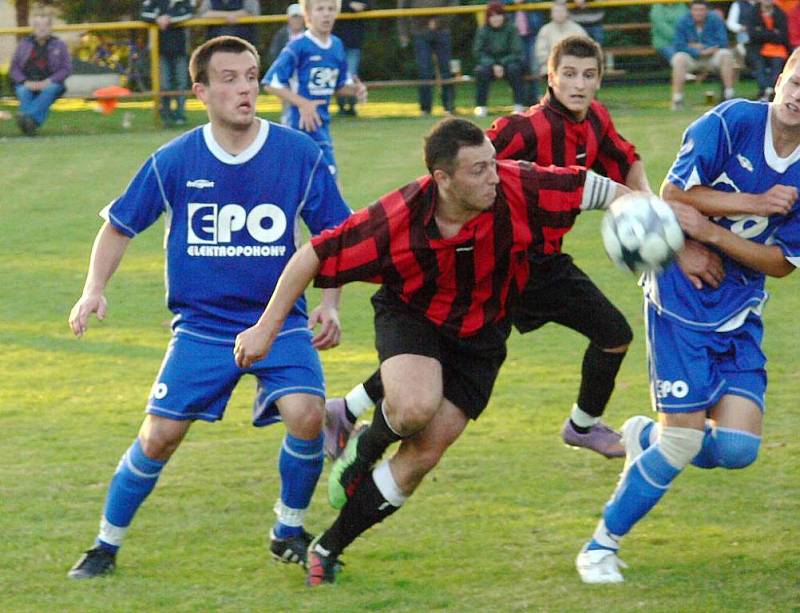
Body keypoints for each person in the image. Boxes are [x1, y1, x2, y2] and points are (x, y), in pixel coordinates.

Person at [234, 117, 633, 586]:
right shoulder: (399, 215)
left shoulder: (517, 185)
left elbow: (595, 188)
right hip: (413, 316)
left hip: (481, 335)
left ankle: (328, 546)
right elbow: (315, 254)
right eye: (478, 170)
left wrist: (648, 215)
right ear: (442, 179)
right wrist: (265, 327)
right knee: (413, 407)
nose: (493, 176)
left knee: (424, 454)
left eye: (492, 163)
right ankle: (367, 444)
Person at [323, 36, 723, 463]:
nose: (578, 84)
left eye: (589, 75)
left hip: (544, 265)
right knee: (443, 347)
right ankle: (351, 426)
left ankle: (581, 426)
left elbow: (627, 158)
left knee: (612, 335)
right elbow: (464, 168)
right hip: (501, 262)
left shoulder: (596, 121)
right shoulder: (524, 128)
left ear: (600, 81)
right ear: (550, 77)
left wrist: (648, 212)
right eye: (568, 74)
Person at [65, 36, 352, 579]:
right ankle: (105, 544)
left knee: (307, 414)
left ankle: (287, 529)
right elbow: (119, 225)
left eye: (251, 75)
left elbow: (334, 236)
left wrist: (331, 304)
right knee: (159, 436)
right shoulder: (173, 160)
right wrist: (92, 289)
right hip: (202, 328)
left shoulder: (299, 153)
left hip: (280, 322)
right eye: (229, 79)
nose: (245, 88)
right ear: (201, 91)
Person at [575, 48, 800, 585]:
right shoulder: (730, 121)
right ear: (779, 78)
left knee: (739, 449)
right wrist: (750, 204)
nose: (797, 96)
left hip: (740, 308)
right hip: (679, 300)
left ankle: (643, 438)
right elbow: (675, 195)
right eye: (795, 81)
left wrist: (712, 234)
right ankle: (599, 546)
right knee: (684, 439)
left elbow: (781, 262)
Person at [262, 0, 367, 177]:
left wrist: (356, 90)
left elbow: (338, 85)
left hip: (321, 126)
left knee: (327, 183)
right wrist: (303, 103)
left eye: (331, 9)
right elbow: (270, 83)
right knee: (311, 183)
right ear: (308, 15)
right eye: (320, 9)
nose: (326, 14)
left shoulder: (336, 45)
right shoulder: (298, 46)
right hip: (298, 126)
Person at [9, 12, 72, 136]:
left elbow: (66, 68)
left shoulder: (59, 45)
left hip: (51, 82)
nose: (42, 28)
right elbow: (14, 68)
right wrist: (24, 82)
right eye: (38, 25)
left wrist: (48, 81)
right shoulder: (24, 44)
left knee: (50, 90)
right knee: (23, 91)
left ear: (50, 27)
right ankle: (30, 124)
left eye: (45, 25)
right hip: (26, 82)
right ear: (33, 28)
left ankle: (26, 117)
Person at [670, 0, 737, 110]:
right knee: (678, 58)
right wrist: (697, 51)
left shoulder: (715, 19)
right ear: (691, 11)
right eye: (696, 10)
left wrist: (704, 47)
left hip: (712, 56)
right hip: (692, 58)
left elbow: (723, 41)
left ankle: (729, 94)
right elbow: (679, 44)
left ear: (707, 11)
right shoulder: (682, 21)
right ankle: (677, 99)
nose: (699, 13)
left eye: (701, 10)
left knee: (726, 54)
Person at [397, 0, 459, 116]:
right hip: (419, 32)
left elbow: (454, 4)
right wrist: (403, 33)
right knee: (424, 71)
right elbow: (402, 10)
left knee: (446, 70)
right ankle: (425, 109)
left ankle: (449, 107)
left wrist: (439, 22)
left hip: (442, 31)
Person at [140, 0, 196, 126]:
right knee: (164, 84)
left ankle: (180, 115)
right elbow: (143, 14)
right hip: (160, 51)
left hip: (180, 49)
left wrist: (168, 19)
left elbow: (189, 14)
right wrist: (158, 19)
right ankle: (166, 115)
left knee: (180, 83)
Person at [472, 0, 526, 118]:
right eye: (492, 16)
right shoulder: (482, 30)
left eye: (498, 15)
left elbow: (517, 51)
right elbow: (478, 52)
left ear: (503, 16)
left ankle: (518, 105)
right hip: (489, 65)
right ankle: (481, 106)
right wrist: (493, 64)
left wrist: (501, 63)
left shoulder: (511, 28)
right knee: (481, 71)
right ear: (488, 18)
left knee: (514, 69)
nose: (496, 19)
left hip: (508, 63)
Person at [266, 3, 307, 125]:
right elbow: (274, 55)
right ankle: (287, 121)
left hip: (303, 75)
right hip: (287, 75)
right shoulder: (281, 35)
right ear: (289, 18)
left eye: (299, 17)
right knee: (288, 99)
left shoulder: (309, 35)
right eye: (294, 17)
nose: (297, 20)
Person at [748, 0, 790, 100]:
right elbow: (753, 35)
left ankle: (771, 90)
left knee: (777, 63)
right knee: (757, 62)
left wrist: (762, 32)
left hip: (778, 48)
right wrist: (773, 32)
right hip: (758, 48)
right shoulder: (753, 12)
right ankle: (764, 90)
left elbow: (783, 36)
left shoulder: (780, 13)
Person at [334, 0, 370, 116]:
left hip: (354, 41)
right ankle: (341, 107)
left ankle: (352, 106)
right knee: (337, 75)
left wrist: (362, 6)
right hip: (336, 40)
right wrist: (348, 6)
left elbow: (369, 6)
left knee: (351, 74)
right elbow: (330, 5)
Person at [534, 1, 587, 78]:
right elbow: (541, 53)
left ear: (567, 13)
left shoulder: (577, 29)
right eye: (556, 11)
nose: (559, 14)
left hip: (574, 65)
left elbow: (585, 49)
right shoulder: (545, 30)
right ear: (551, 14)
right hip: (551, 66)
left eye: (562, 11)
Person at [509, 0, 544, 105]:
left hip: (532, 34)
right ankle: (522, 100)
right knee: (519, 67)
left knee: (534, 66)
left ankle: (535, 98)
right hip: (514, 35)